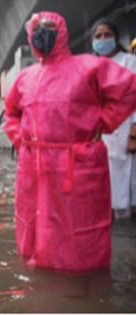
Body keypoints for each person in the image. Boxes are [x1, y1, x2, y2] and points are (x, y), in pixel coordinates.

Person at [4, 12, 136, 271]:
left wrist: (102, 122)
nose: (43, 33)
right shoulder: (25, 78)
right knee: (35, 224)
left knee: (79, 233)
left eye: (49, 27)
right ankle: (43, 285)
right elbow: (11, 113)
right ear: (30, 35)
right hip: (34, 166)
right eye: (37, 28)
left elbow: (129, 90)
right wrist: (21, 141)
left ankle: (82, 288)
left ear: (61, 31)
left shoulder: (89, 66)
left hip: (77, 165)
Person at [91, 19, 136, 219]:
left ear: (116, 38)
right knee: (102, 179)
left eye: (107, 34)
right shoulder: (92, 65)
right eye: (98, 36)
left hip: (126, 129)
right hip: (100, 133)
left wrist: (135, 130)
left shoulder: (130, 62)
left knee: (127, 176)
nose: (102, 39)